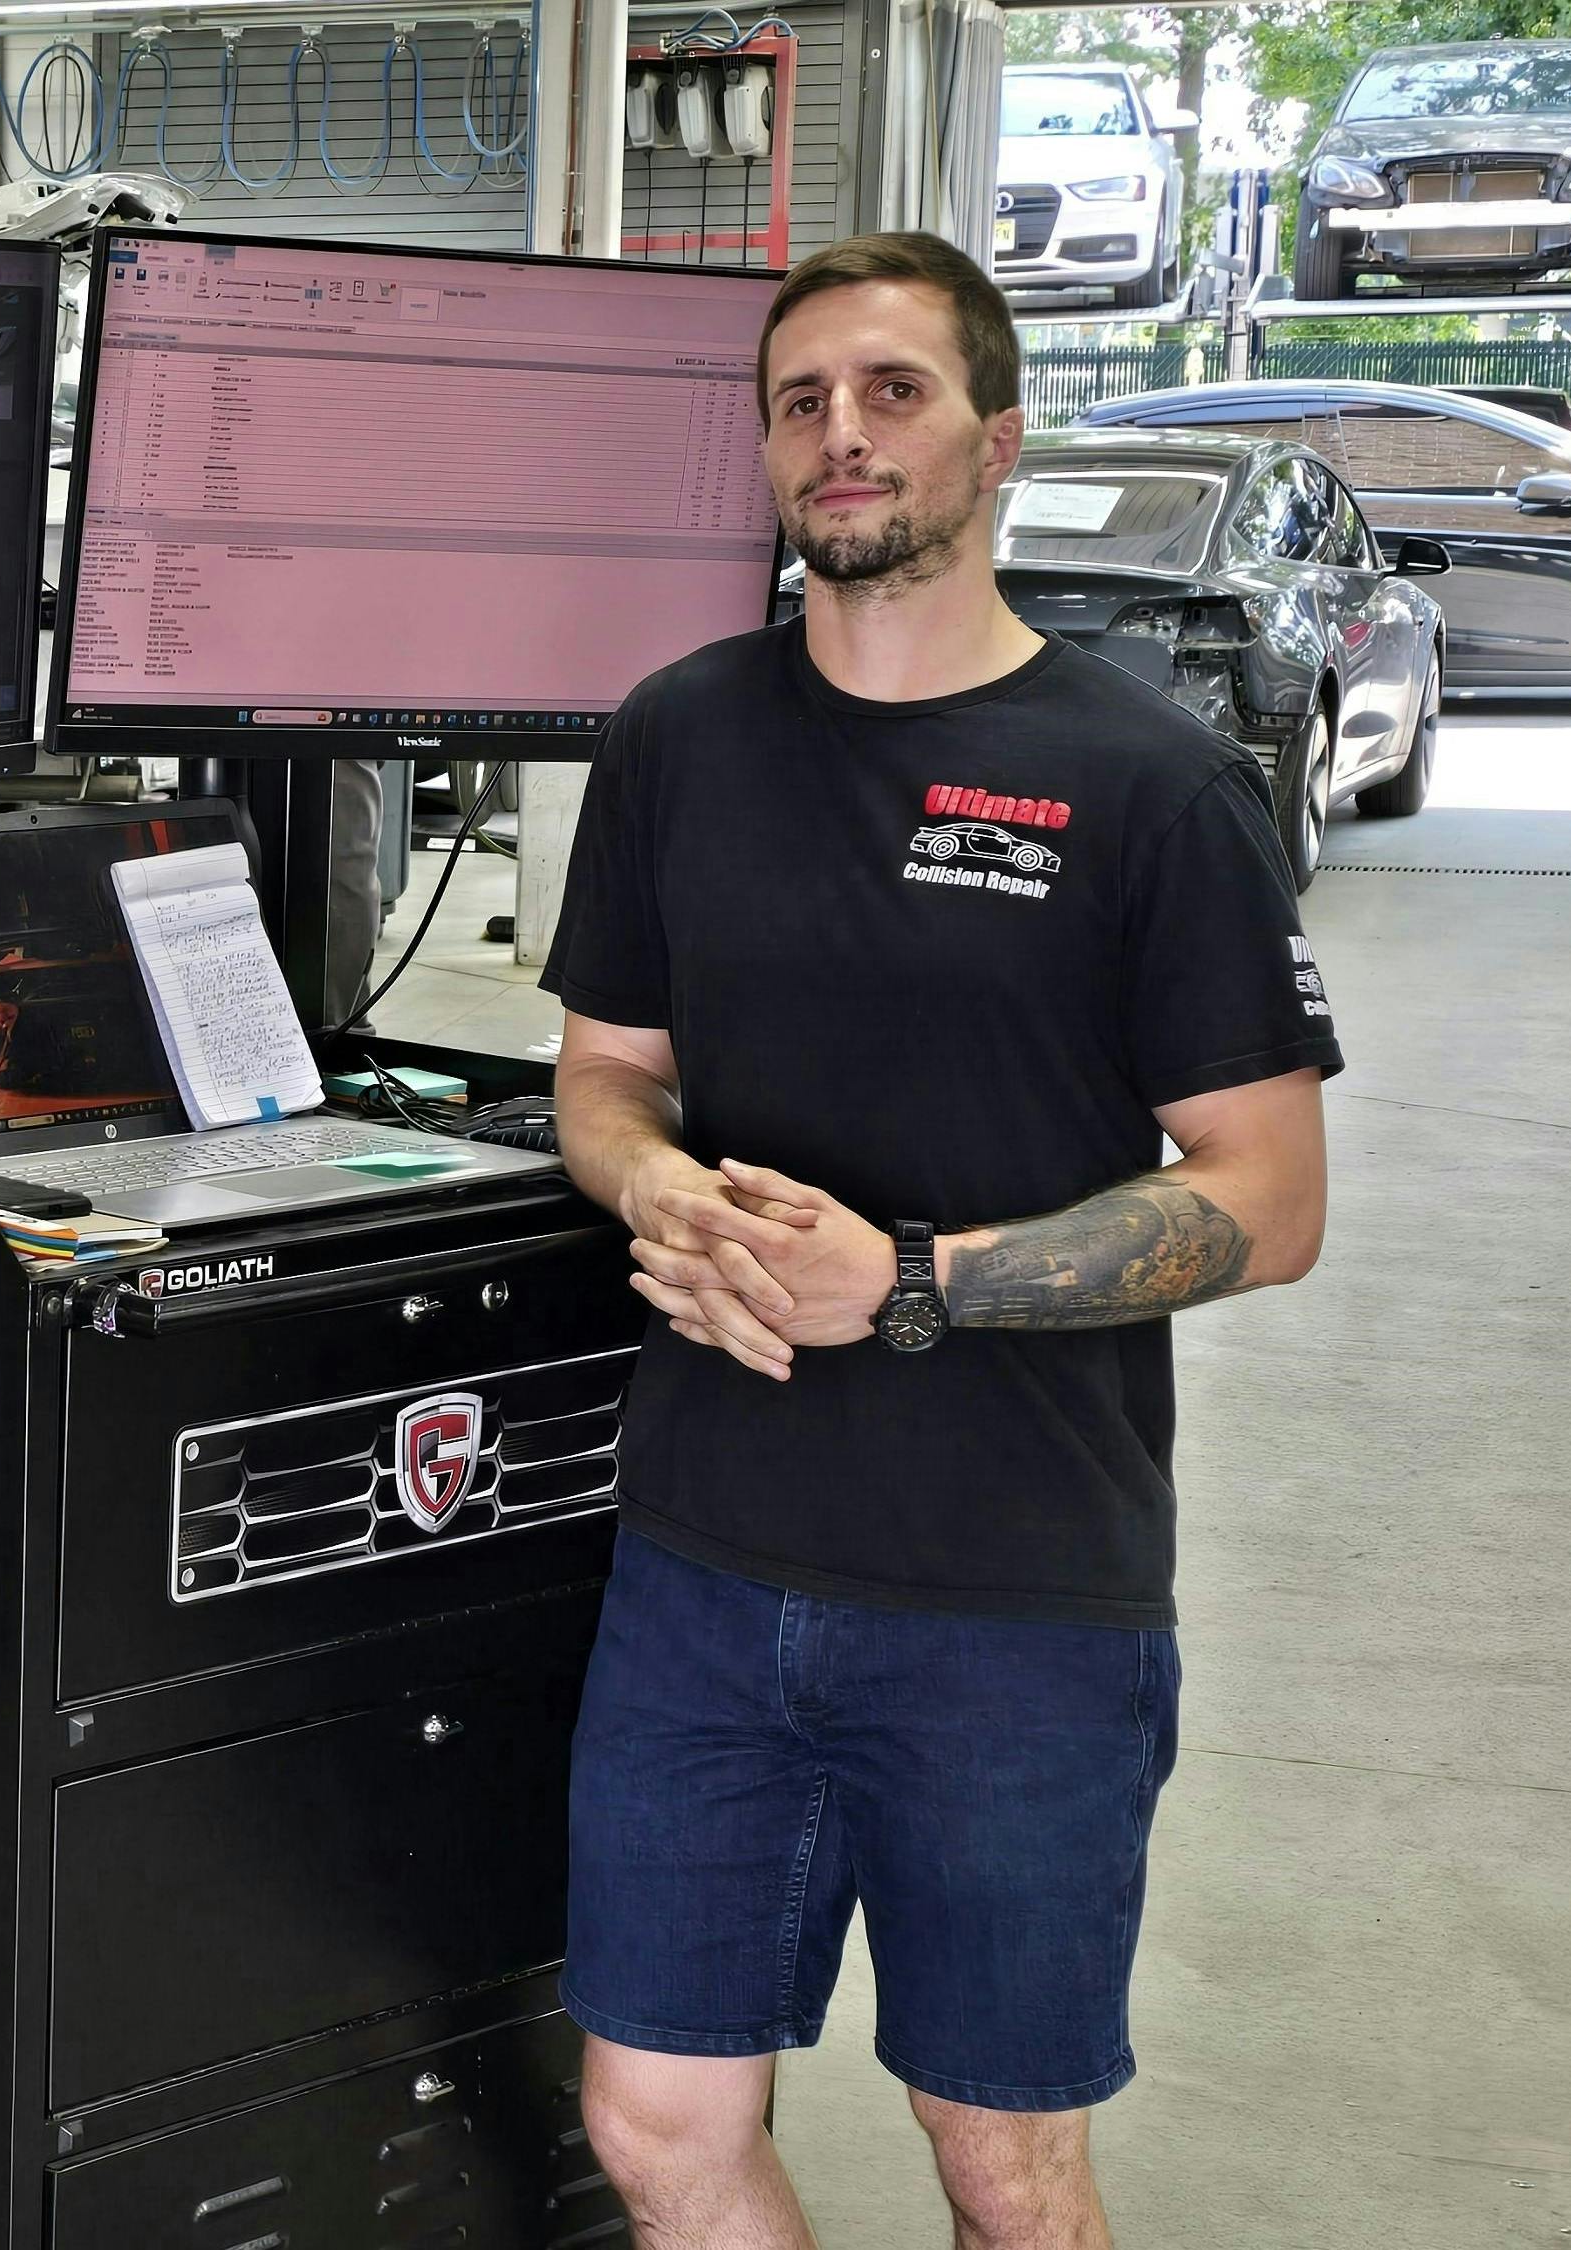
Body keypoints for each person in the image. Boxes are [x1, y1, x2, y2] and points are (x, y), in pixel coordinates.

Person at [537, 230, 1340, 2249]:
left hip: (1013, 1600)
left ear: (995, 440)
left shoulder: (1145, 786)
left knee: (998, 2162)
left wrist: (901, 1283)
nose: (838, 434)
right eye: (797, 399)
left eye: (890, 392)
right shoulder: (676, 734)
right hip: (702, 1570)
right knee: (649, 2122)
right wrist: (644, 1179)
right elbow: (603, 1071)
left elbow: (1267, 1196)